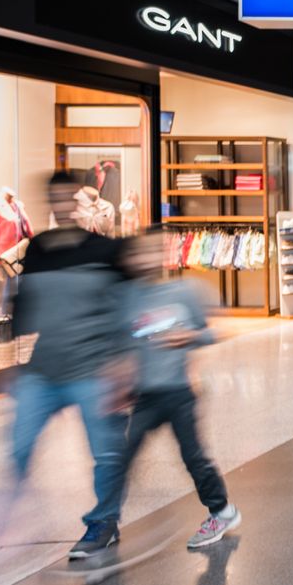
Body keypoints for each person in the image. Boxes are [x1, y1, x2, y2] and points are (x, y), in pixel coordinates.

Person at [11, 170, 132, 560]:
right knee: (17, 448)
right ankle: (8, 522)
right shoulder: (39, 250)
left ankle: (104, 522)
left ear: (80, 203)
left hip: (94, 368)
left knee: (107, 452)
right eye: (57, 199)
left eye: (70, 198)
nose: (64, 206)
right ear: (50, 203)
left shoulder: (104, 252)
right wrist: (12, 363)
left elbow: (126, 309)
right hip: (44, 368)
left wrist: (123, 364)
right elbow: (25, 309)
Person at [115, 229, 240, 549]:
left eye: (152, 252)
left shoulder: (184, 292)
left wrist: (190, 338)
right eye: (139, 253)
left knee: (193, 455)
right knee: (123, 456)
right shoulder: (128, 297)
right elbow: (119, 343)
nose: (145, 259)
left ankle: (222, 511)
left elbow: (216, 332)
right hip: (145, 395)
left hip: (178, 392)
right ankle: (105, 521)